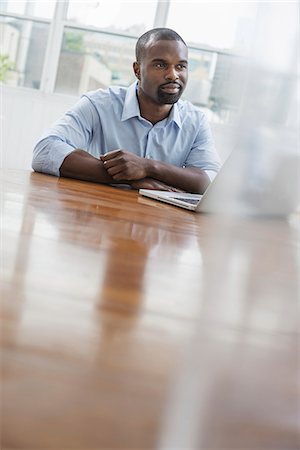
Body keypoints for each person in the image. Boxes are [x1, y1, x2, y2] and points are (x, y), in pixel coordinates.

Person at [32, 28, 221, 193]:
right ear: (137, 70)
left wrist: (149, 167)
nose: (173, 74)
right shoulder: (98, 104)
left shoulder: (195, 121)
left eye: (181, 66)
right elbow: (45, 151)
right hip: (102, 218)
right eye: (160, 64)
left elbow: (212, 180)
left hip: (161, 225)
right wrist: (127, 177)